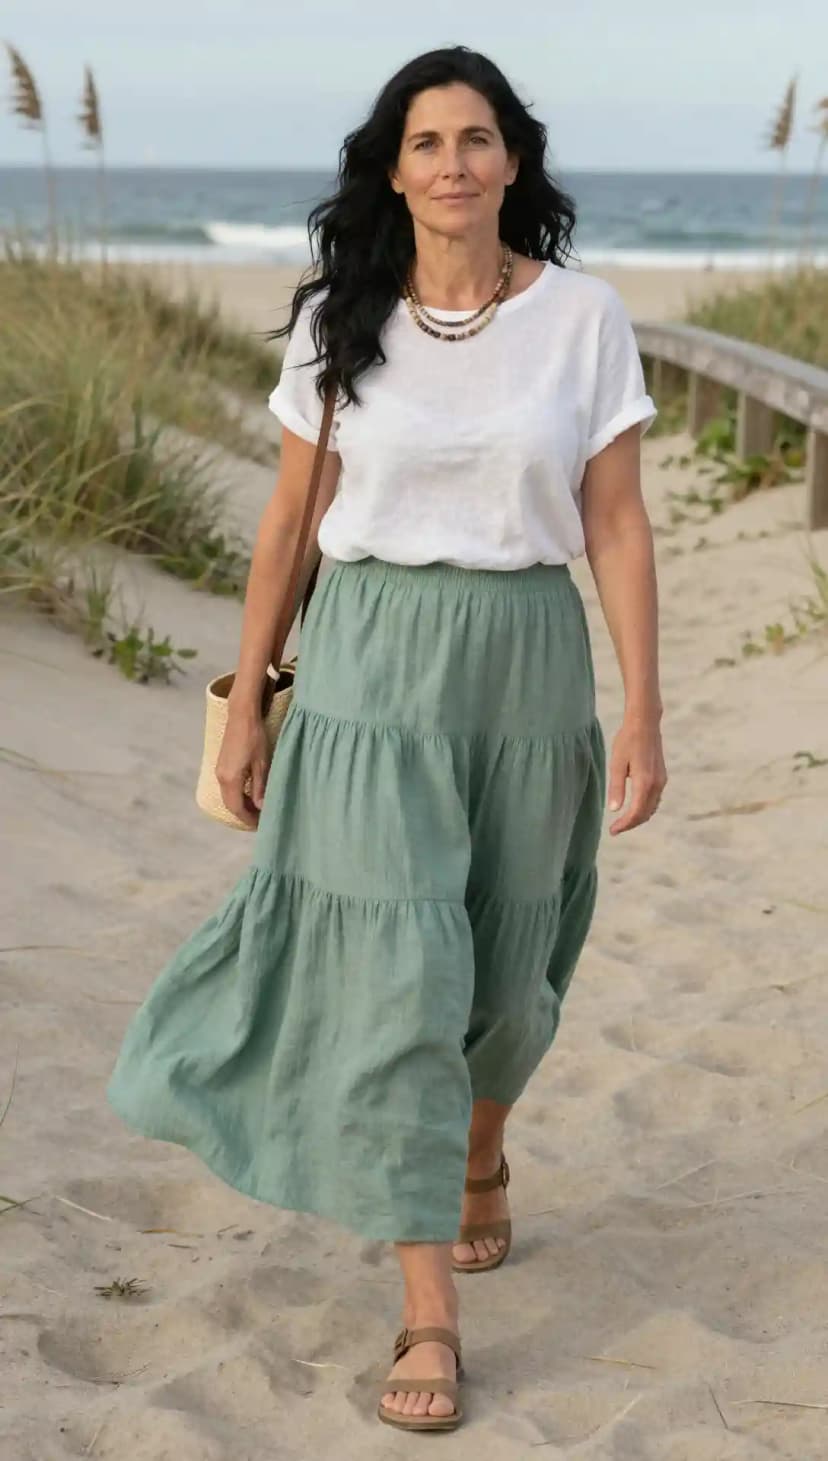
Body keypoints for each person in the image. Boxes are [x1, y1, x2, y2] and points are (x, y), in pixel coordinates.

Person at [106, 44, 667, 1435]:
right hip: (367, 670)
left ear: (514, 161)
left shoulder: (584, 318)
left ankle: (482, 1144)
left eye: (478, 139)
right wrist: (245, 698)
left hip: (527, 665)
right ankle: (427, 1305)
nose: (455, 164)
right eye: (427, 142)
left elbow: (614, 521)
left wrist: (647, 704)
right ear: (395, 167)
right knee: (399, 974)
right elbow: (290, 526)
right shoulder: (335, 319)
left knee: (509, 957)